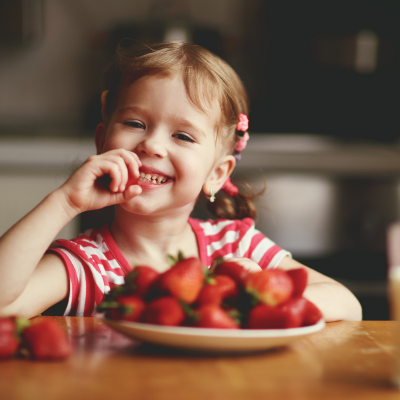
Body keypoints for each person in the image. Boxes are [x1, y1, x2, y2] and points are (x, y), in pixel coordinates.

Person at [0, 42, 362, 321]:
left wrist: (250, 295)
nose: (152, 144)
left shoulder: (236, 247)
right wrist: (65, 202)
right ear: (101, 142)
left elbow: (347, 304)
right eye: (135, 124)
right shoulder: (88, 266)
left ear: (216, 174)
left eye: (183, 136)